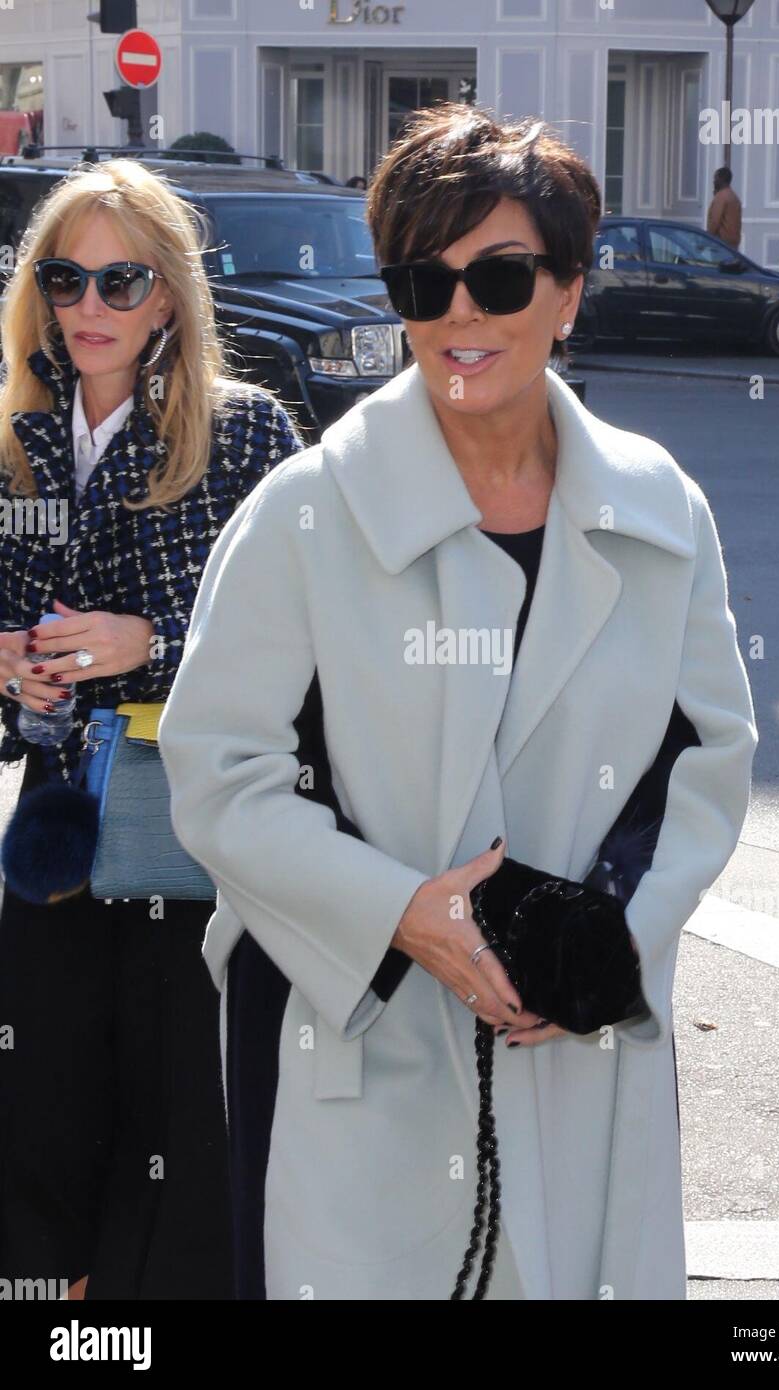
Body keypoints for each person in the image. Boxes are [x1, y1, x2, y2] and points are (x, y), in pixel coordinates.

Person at [158, 102, 758, 1301]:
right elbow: (218, 773)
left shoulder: (658, 506)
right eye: (421, 283)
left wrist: (604, 943)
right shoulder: (304, 510)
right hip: (359, 1036)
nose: (458, 316)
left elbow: (708, 758)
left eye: (499, 275)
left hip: (578, 1045)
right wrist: (400, 913)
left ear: (571, 290)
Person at [0, 159, 303, 1299]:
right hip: (60, 829)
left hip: (194, 827)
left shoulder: (243, 433)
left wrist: (150, 645)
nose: (89, 307)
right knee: (44, 1110)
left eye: (121, 282)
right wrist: (16, 674)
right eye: (66, 277)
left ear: (170, 296)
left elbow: (296, 643)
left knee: (181, 1114)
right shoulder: (18, 435)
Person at [706, 166, 742, 249]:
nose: (713, 181)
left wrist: (706, 239)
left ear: (721, 179)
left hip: (721, 244)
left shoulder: (721, 197)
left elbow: (715, 221)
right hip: (733, 244)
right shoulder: (734, 196)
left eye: (715, 178)